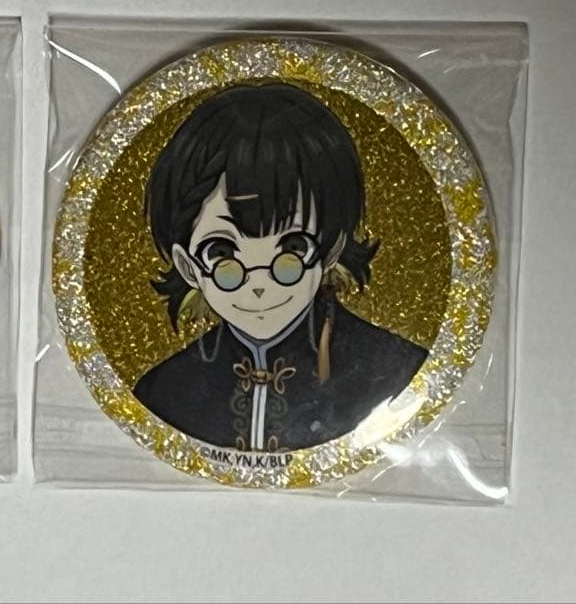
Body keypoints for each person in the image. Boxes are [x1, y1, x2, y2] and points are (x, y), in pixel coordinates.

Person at [132, 83, 426, 452]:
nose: (258, 287)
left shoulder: (397, 374)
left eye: (292, 249)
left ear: (331, 249)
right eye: (222, 254)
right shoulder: (164, 393)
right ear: (188, 267)